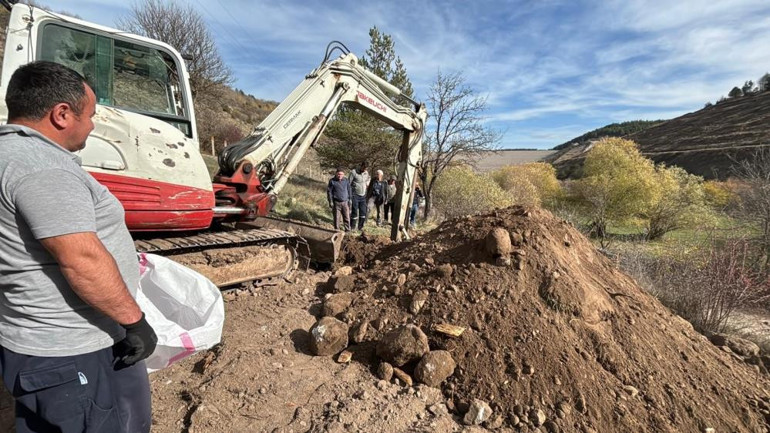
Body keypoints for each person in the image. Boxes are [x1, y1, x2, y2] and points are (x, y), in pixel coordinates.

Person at [0, 61, 157, 433]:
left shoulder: (8, 155)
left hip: (32, 342)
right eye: (90, 115)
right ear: (61, 114)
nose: (93, 125)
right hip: (75, 351)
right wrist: (134, 322)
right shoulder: (43, 168)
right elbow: (81, 259)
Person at [348, 161, 370, 231]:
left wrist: (367, 182)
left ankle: (360, 227)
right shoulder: (353, 172)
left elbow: (368, 178)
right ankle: (352, 227)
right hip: (355, 195)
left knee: (363, 212)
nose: (364, 170)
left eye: (366, 169)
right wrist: (350, 194)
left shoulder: (366, 173)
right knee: (354, 211)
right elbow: (348, 184)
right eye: (363, 168)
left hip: (363, 195)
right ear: (361, 166)